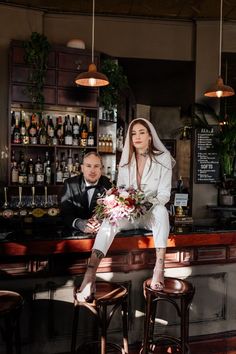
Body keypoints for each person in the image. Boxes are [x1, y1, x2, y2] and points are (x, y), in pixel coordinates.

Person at [77, 118, 175, 302]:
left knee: (162, 211)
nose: (137, 137)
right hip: (129, 215)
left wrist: (143, 205)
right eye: (133, 133)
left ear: (150, 136)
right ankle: (90, 273)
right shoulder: (126, 159)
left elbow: (164, 194)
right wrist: (116, 204)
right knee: (110, 220)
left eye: (141, 132)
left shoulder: (163, 159)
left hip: (150, 214)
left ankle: (159, 268)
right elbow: (121, 190)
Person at [61, 151, 112, 233]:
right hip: (74, 234)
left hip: (100, 233)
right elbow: (65, 214)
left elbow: (111, 213)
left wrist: (101, 221)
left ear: (101, 169)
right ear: (82, 168)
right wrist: (78, 223)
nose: (92, 170)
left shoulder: (108, 184)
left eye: (96, 166)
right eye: (88, 166)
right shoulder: (70, 184)